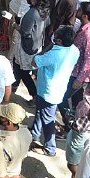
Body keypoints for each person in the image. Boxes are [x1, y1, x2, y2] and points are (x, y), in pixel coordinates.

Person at [30, 27, 80, 157]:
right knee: (40, 112)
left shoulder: (54, 53)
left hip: (48, 91)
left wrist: (47, 47)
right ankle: (34, 134)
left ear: (59, 40)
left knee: (47, 120)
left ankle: (50, 147)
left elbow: (34, 62)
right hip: (55, 88)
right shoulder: (75, 50)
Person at [7, 0, 49, 101]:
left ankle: (34, 95)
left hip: (26, 47)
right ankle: (13, 86)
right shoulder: (43, 10)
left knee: (24, 72)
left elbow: (25, 32)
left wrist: (15, 25)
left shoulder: (32, 13)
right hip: (36, 45)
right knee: (17, 66)